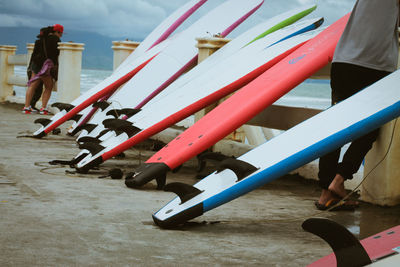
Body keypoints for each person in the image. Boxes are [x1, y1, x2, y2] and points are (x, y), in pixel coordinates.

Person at [315, 0, 399, 210]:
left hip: (343, 61)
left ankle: (326, 194)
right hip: (374, 66)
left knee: (335, 129)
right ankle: (340, 179)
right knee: (369, 129)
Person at [22, 24, 63, 115]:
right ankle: (43, 108)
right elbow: (55, 54)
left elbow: (34, 54)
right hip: (45, 67)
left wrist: (30, 66)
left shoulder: (40, 40)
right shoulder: (56, 40)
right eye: (61, 33)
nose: (61, 35)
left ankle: (26, 107)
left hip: (35, 65)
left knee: (32, 85)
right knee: (49, 87)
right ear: (57, 32)